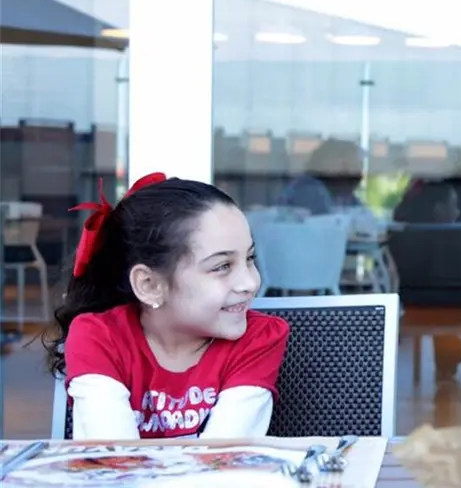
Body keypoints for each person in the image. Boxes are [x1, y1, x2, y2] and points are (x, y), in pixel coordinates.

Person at [42, 173, 290, 440]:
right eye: (222, 266)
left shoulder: (258, 337)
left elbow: (223, 458)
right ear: (149, 285)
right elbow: (114, 461)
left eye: (250, 258)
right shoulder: (99, 336)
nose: (250, 282)